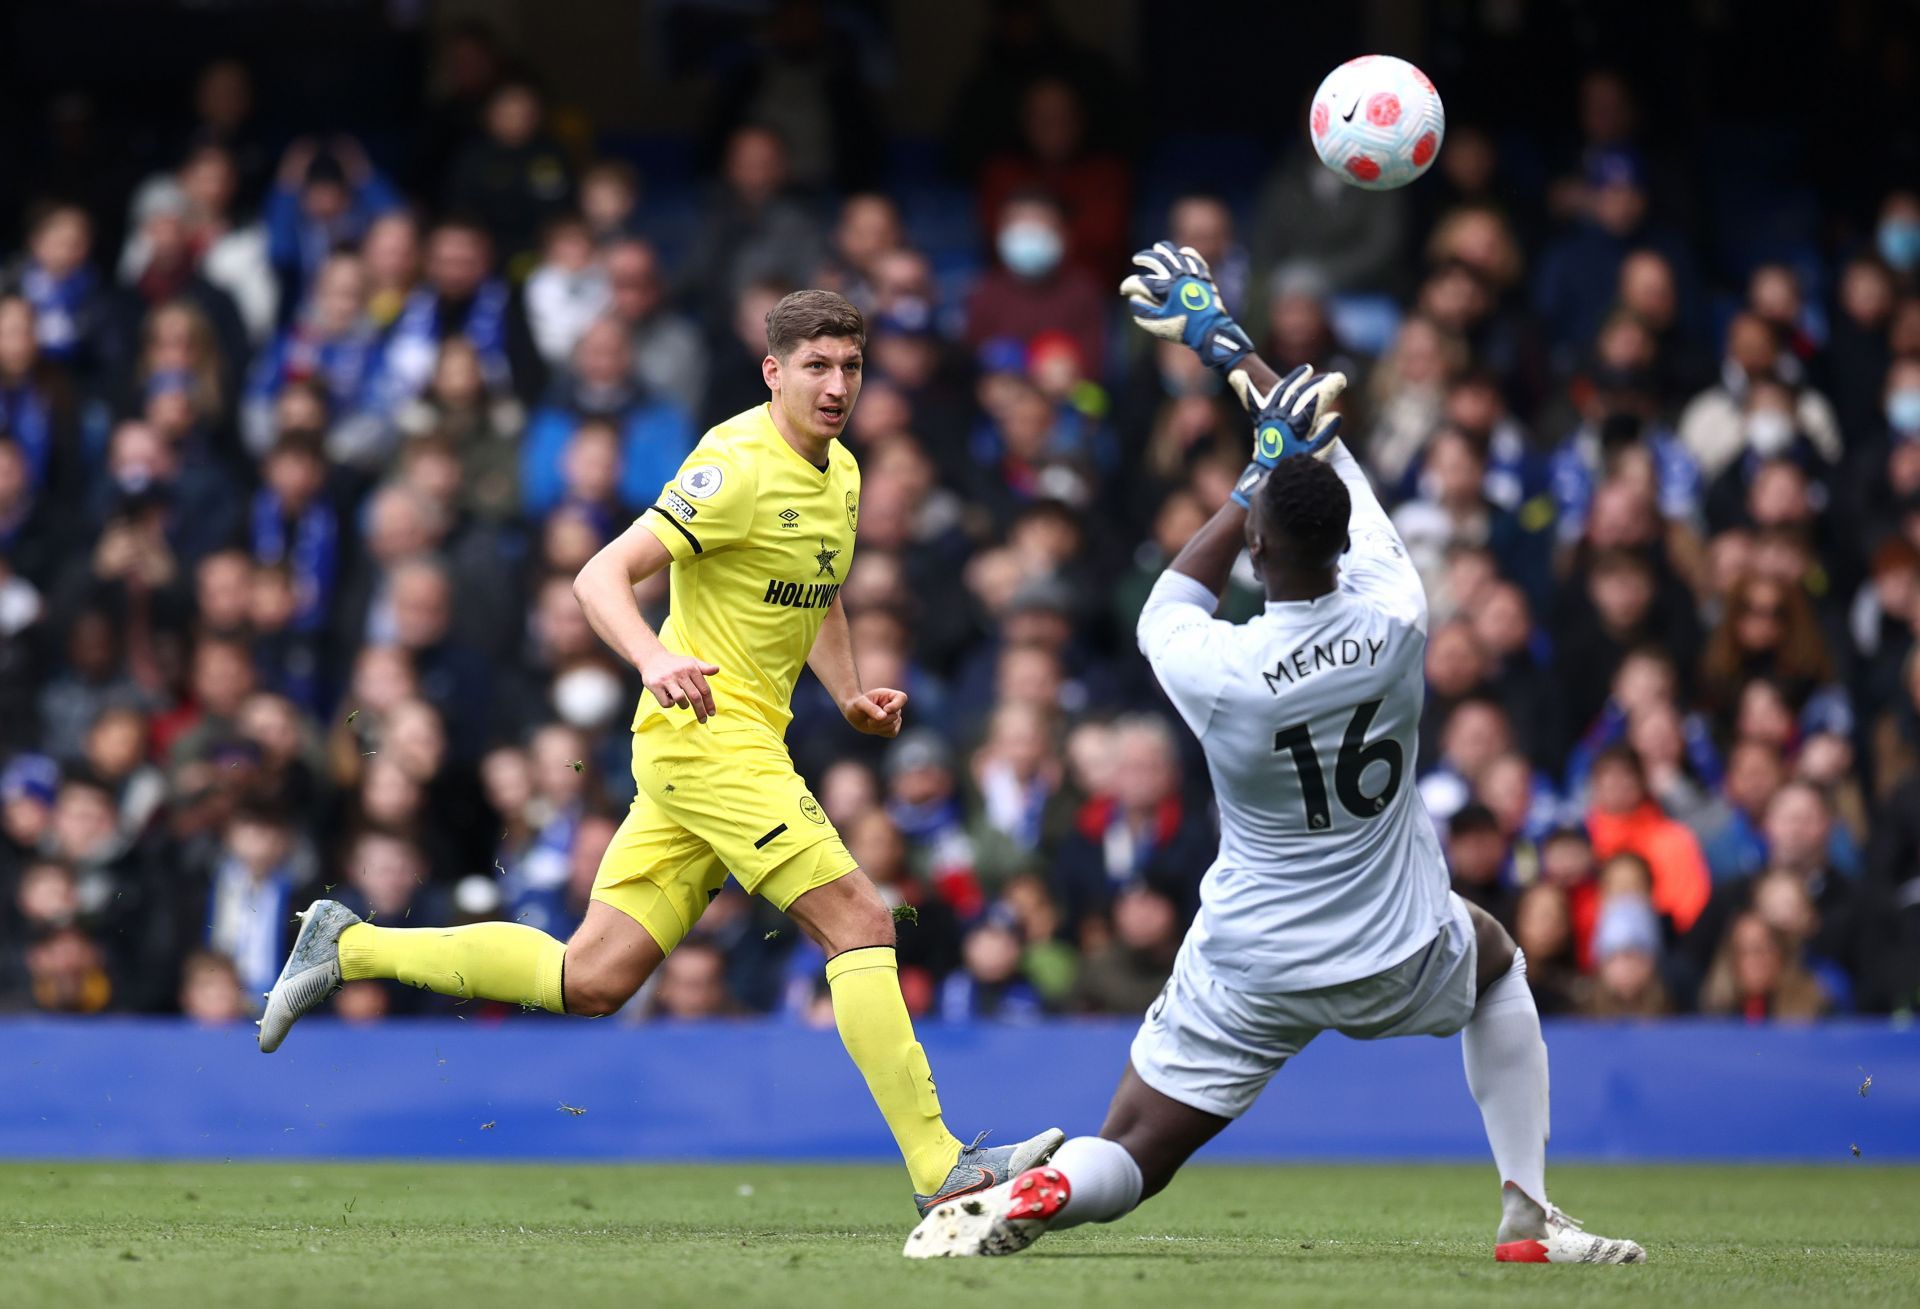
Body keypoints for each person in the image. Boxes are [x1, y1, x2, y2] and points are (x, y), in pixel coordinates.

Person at [907, 244, 1642, 1264]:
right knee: (1498, 963)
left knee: (1134, 1151)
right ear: (1346, 546)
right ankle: (1527, 1207)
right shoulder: (1399, 611)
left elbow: (1177, 588)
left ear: (1259, 552)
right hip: (1394, 944)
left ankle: (1043, 1187)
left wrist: (1234, 414)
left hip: (1251, 958)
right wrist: (1240, 356)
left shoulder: (1221, 668)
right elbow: (1328, 457)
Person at [257, 288, 1060, 1212]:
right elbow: (598, 573)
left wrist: (845, 691)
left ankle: (349, 945)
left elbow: (822, 587)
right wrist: (652, 655)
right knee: (861, 920)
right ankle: (940, 1169)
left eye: (851, 367)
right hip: (708, 740)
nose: (837, 385)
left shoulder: (840, 474)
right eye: (817, 367)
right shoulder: (733, 463)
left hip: (729, 744)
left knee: (591, 976)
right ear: (774, 371)